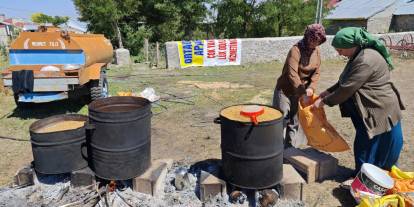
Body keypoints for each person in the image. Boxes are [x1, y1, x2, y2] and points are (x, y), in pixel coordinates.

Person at [313, 27, 405, 174]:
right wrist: (328, 92)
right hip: (373, 105)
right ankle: (368, 174)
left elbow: (348, 88)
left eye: (341, 50)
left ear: (351, 46)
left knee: (370, 143)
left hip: (379, 107)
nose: (339, 53)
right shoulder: (358, 55)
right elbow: (346, 80)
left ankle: (368, 176)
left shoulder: (365, 60)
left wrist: (324, 102)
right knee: (370, 143)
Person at [273, 24, 326, 147]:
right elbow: (292, 74)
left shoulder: (317, 51)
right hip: (285, 89)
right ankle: (275, 148)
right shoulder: (295, 50)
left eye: (318, 41)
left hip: (301, 92)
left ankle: (289, 148)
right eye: (313, 40)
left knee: (295, 120)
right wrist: (303, 92)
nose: (315, 44)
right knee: (280, 119)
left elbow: (317, 72)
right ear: (307, 37)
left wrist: (311, 88)